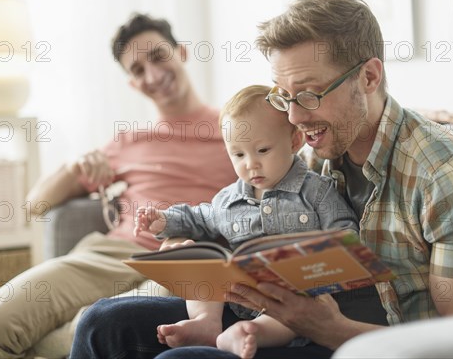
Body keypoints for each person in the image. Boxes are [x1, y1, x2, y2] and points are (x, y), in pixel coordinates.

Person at [69, 0, 453, 359]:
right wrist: (209, 263)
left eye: (310, 95)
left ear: (370, 76)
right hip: (286, 319)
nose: (295, 117)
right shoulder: (321, 147)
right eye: (285, 97)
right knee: (105, 322)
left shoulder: (450, 181)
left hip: (361, 342)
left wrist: (328, 326)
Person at [0, 13, 237, 358]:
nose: (152, 75)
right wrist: (75, 165)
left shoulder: (236, 128)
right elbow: (36, 205)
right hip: (109, 256)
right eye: (137, 70)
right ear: (132, 84)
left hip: (183, 260)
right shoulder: (128, 141)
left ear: (181, 53)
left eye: (158, 57)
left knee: (92, 326)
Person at [133, 85, 359, 358]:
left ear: (294, 142)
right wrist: (162, 221)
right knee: (201, 256)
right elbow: (196, 218)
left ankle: (251, 333)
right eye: (238, 155)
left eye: (262, 150)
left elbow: (347, 234)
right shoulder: (227, 200)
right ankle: (206, 321)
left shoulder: (318, 191)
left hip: (291, 302)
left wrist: (320, 259)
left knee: (298, 306)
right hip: (238, 295)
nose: (251, 164)